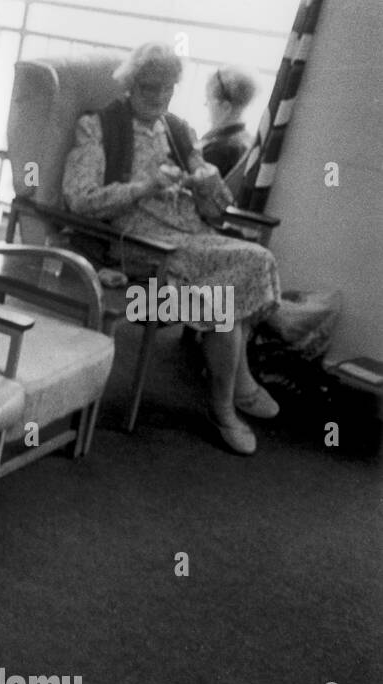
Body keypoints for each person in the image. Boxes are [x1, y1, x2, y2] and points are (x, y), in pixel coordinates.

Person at [62, 42, 282, 455]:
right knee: (254, 260)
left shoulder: (180, 130)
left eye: (168, 90)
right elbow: (80, 198)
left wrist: (207, 181)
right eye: (149, 88)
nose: (159, 98)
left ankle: (226, 402)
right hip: (144, 248)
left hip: (191, 239)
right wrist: (144, 186)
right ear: (130, 84)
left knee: (221, 300)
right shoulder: (98, 127)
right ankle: (236, 393)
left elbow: (217, 210)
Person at [200, 65, 257, 178]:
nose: (205, 104)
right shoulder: (248, 140)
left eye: (208, 100)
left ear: (226, 107)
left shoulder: (218, 150)